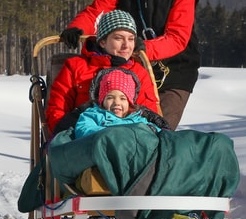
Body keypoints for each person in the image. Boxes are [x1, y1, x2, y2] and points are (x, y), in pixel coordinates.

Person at [60, 0, 201, 128]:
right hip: (132, 65)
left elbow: (178, 38)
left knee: (159, 129)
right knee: (119, 124)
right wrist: (77, 27)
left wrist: (143, 47)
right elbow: (97, 10)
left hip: (175, 69)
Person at [45, 9, 160, 137]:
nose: (126, 45)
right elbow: (57, 111)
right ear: (102, 41)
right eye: (118, 38)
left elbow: (148, 113)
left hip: (128, 140)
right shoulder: (75, 67)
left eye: (131, 39)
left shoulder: (138, 72)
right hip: (83, 139)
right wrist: (67, 137)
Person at [73, 68, 162, 139]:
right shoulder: (93, 115)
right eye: (110, 98)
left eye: (123, 98)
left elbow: (158, 133)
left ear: (129, 103)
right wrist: (109, 134)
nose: (117, 103)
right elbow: (83, 130)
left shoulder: (137, 118)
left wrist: (153, 130)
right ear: (102, 101)